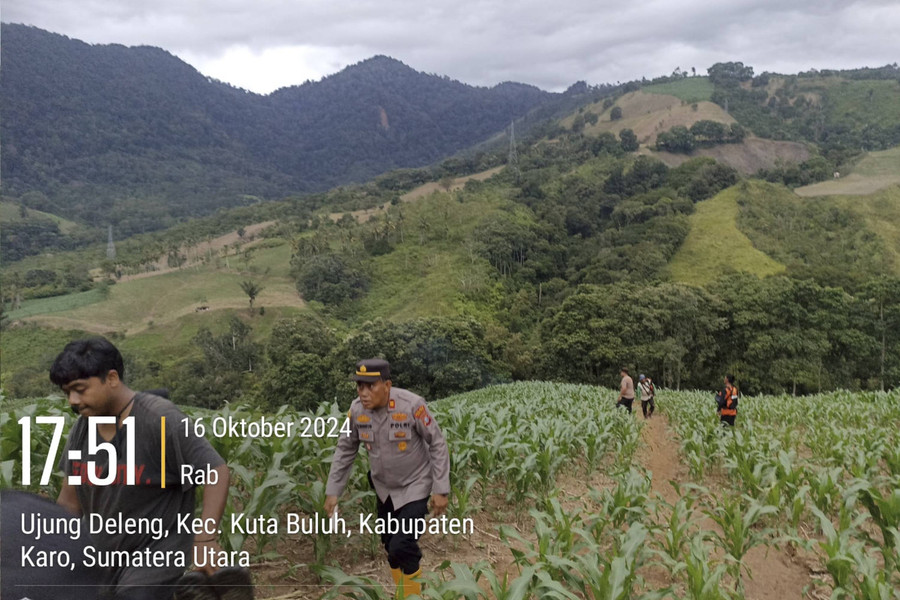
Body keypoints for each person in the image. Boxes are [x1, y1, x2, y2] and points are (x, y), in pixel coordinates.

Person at [50, 337, 233, 600]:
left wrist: (205, 540)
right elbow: (70, 501)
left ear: (111, 378)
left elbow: (216, 471)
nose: (72, 400)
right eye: (67, 392)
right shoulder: (83, 428)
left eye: (80, 389)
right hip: (104, 557)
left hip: (156, 553)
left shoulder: (159, 419)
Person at [325, 359, 451, 598]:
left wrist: (441, 489)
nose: (363, 393)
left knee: (402, 545)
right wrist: (333, 491)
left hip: (416, 485)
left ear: (387, 385)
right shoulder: (357, 411)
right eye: (359, 387)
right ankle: (404, 592)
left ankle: (410, 597)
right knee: (390, 547)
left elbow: (437, 442)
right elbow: (345, 450)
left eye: (370, 386)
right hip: (385, 490)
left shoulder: (412, 405)